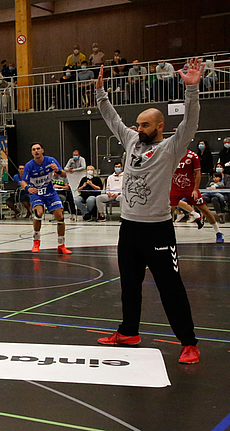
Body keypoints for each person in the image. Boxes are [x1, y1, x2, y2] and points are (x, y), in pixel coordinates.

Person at [94, 60, 203, 364]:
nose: (138, 129)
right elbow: (112, 119)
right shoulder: (130, 140)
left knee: (170, 287)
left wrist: (191, 89)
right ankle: (129, 332)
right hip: (129, 228)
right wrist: (101, 92)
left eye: (145, 125)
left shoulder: (171, 148)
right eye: (138, 124)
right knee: (129, 284)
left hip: (158, 230)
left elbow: (190, 121)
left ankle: (188, 342)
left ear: (159, 126)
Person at [19, 143, 72, 254]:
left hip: (50, 192)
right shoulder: (29, 165)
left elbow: (64, 174)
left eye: (38, 149)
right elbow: (23, 181)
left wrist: (57, 170)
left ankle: (61, 245)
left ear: (42, 150)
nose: (36, 151)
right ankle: (36, 242)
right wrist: (28, 188)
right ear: (32, 152)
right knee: (39, 213)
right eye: (33, 149)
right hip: (36, 193)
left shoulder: (50, 160)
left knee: (60, 216)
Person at [170, 149, 224, 243]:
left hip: (190, 187)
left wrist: (195, 189)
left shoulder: (192, 156)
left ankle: (218, 232)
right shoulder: (170, 154)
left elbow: (198, 173)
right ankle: (168, 235)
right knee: (170, 210)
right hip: (175, 187)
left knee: (204, 209)